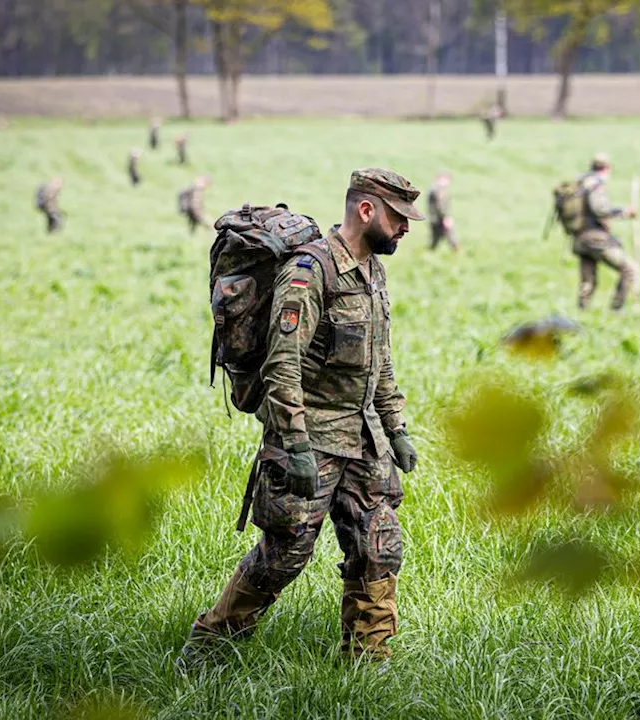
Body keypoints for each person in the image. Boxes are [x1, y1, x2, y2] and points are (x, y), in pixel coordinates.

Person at [181, 168, 422, 665]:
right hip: (311, 437)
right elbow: (282, 365)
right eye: (399, 218)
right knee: (285, 553)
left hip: (365, 437)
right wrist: (294, 445)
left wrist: (395, 426)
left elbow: (380, 359)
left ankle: (369, 663)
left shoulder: (373, 269)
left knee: (378, 546)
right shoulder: (310, 273)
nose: (406, 228)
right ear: (366, 210)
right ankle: (206, 648)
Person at [572, 153, 639, 312]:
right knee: (630, 269)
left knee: (587, 281)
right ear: (607, 168)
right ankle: (616, 310)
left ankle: (582, 313)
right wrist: (623, 212)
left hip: (579, 239)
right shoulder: (596, 184)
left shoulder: (581, 183)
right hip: (596, 239)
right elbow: (600, 209)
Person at [427, 172, 459, 252]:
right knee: (450, 236)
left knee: (435, 240)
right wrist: (445, 218)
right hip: (439, 219)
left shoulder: (434, 189)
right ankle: (458, 253)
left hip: (435, 218)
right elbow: (440, 206)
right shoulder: (438, 190)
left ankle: (430, 254)